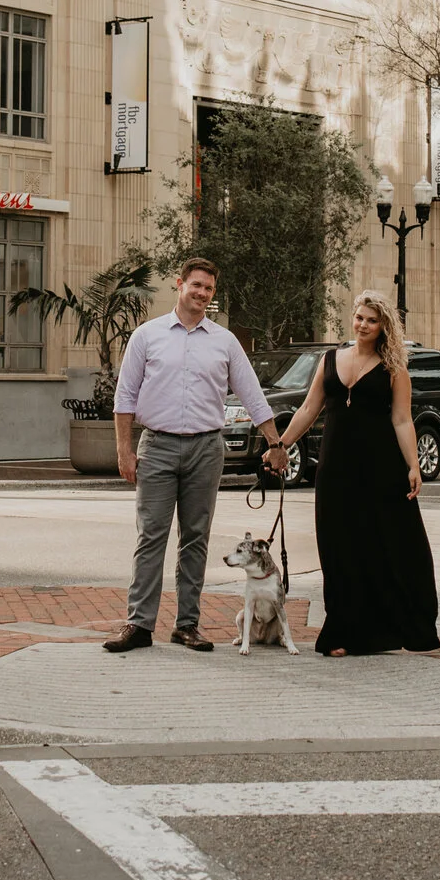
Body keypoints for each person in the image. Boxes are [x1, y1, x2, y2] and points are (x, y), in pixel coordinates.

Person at [106, 258, 279, 653]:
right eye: (196, 285)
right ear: (179, 284)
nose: (202, 293)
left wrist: (275, 443)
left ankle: (187, 625)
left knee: (195, 539)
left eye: (209, 289)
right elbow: (125, 397)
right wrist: (124, 450)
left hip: (206, 447)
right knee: (151, 536)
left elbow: (252, 393)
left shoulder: (224, 341)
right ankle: (139, 624)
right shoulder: (147, 336)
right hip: (158, 445)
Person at [272, 292, 440, 657]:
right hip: (335, 467)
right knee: (337, 548)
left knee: (382, 547)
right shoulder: (330, 359)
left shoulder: (394, 368)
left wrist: (414, 465)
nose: (362, 324)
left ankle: (382, 630)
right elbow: (308, 409)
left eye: (371, 320)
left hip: (380, 468)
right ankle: (341, 630)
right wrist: (280, 445)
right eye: (359, 317)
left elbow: (401, 419)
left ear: (383, 327)